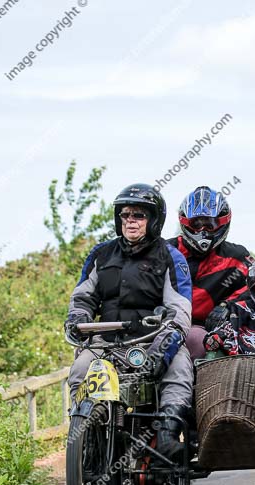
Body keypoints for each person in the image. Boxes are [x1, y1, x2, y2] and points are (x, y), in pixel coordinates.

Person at [65, 183, 193, 460]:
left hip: (151, 340)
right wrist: (77, 319)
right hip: (105, 340)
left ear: (154, 219)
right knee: (79, 369)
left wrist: (165, 342)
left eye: (139, 215)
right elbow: (82, 296)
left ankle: (168, 434)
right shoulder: (101, 254)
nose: (131, 221)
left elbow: (180, 307)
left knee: (180, 366)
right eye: (125, 215)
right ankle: (86, 438)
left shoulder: (171, 256)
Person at [166, 186, 254, 359]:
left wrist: (227, 306)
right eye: (196, 224)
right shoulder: (166, 251)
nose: (203, 230)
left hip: (210, 331)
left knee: (198, 342)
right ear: (186, 223)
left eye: (209, 224)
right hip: (164, 325)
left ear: (222, 223)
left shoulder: (236, 256)